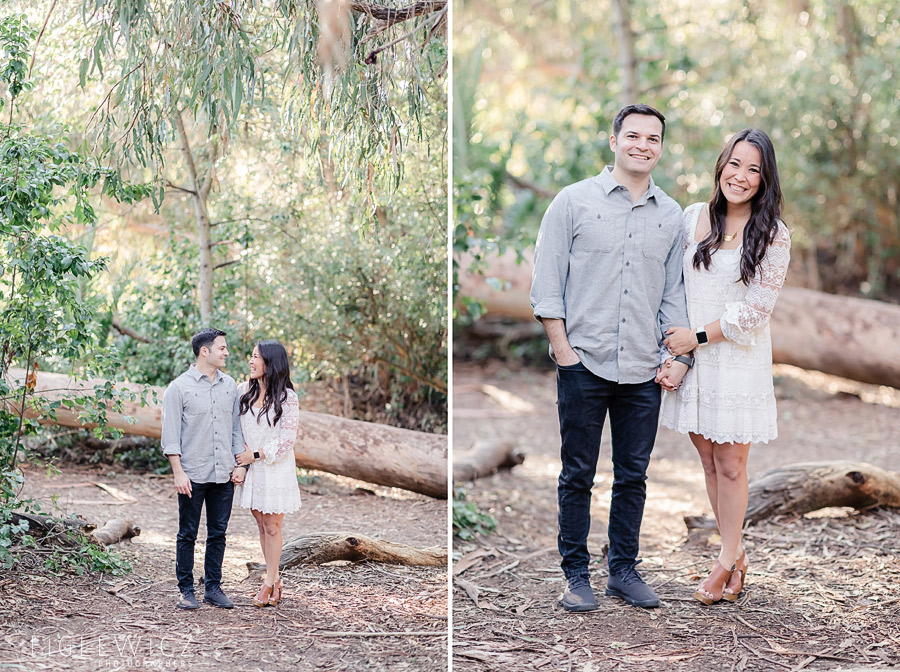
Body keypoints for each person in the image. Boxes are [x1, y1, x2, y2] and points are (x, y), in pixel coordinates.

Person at [530, 104, 693, 611]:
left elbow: (674, 295)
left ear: (661, 147)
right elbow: (547, 283)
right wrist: (564, 352)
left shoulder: (671, 215)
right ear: (614, 140)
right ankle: (576, 576)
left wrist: (679, 357)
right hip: (584, 362)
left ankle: (622, 571)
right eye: (634, 136)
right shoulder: (573, 202)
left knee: (633, 476)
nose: (643, 145)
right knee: (577, 473)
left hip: (644, 369)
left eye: (653, 138)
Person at [658, 128, 791, 605]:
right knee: (710, 464)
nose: (741, 176)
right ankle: (737, 556)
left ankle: (723, 559)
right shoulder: (693, 218)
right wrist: (678, 354)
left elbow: (755, 310)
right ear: (721, 165)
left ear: (765, 178)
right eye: (735, 163)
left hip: (737, 362)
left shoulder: (773, 234)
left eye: (754, 168)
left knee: (732, 465)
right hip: (695, 365)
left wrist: (695, 337)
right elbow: (674, 290)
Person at [161, 328, 244, 610]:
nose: (227, 352)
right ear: (204, 351)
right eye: (222, 348)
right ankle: (186, 590)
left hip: (224, 473)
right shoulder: (178, 388)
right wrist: (178, 472)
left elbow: (236, 429)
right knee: (187, 534)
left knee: (218, 533)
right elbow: (170, 436)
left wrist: (240, 464)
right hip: (192, 474)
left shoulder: (230, 385)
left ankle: (213, 588)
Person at [230, 340, 302, 607]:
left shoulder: (288, 398)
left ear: (270, 362)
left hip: (275, 469)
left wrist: (255, 455)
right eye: (250, 356)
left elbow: (286, 441)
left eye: (255, 357)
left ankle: (268, 583)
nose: (250, 361)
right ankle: (276, 581)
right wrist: (242, 462)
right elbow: (236, 432)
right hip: (253, 471)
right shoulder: (242, 391)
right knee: (261, 526)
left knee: (273, 527)